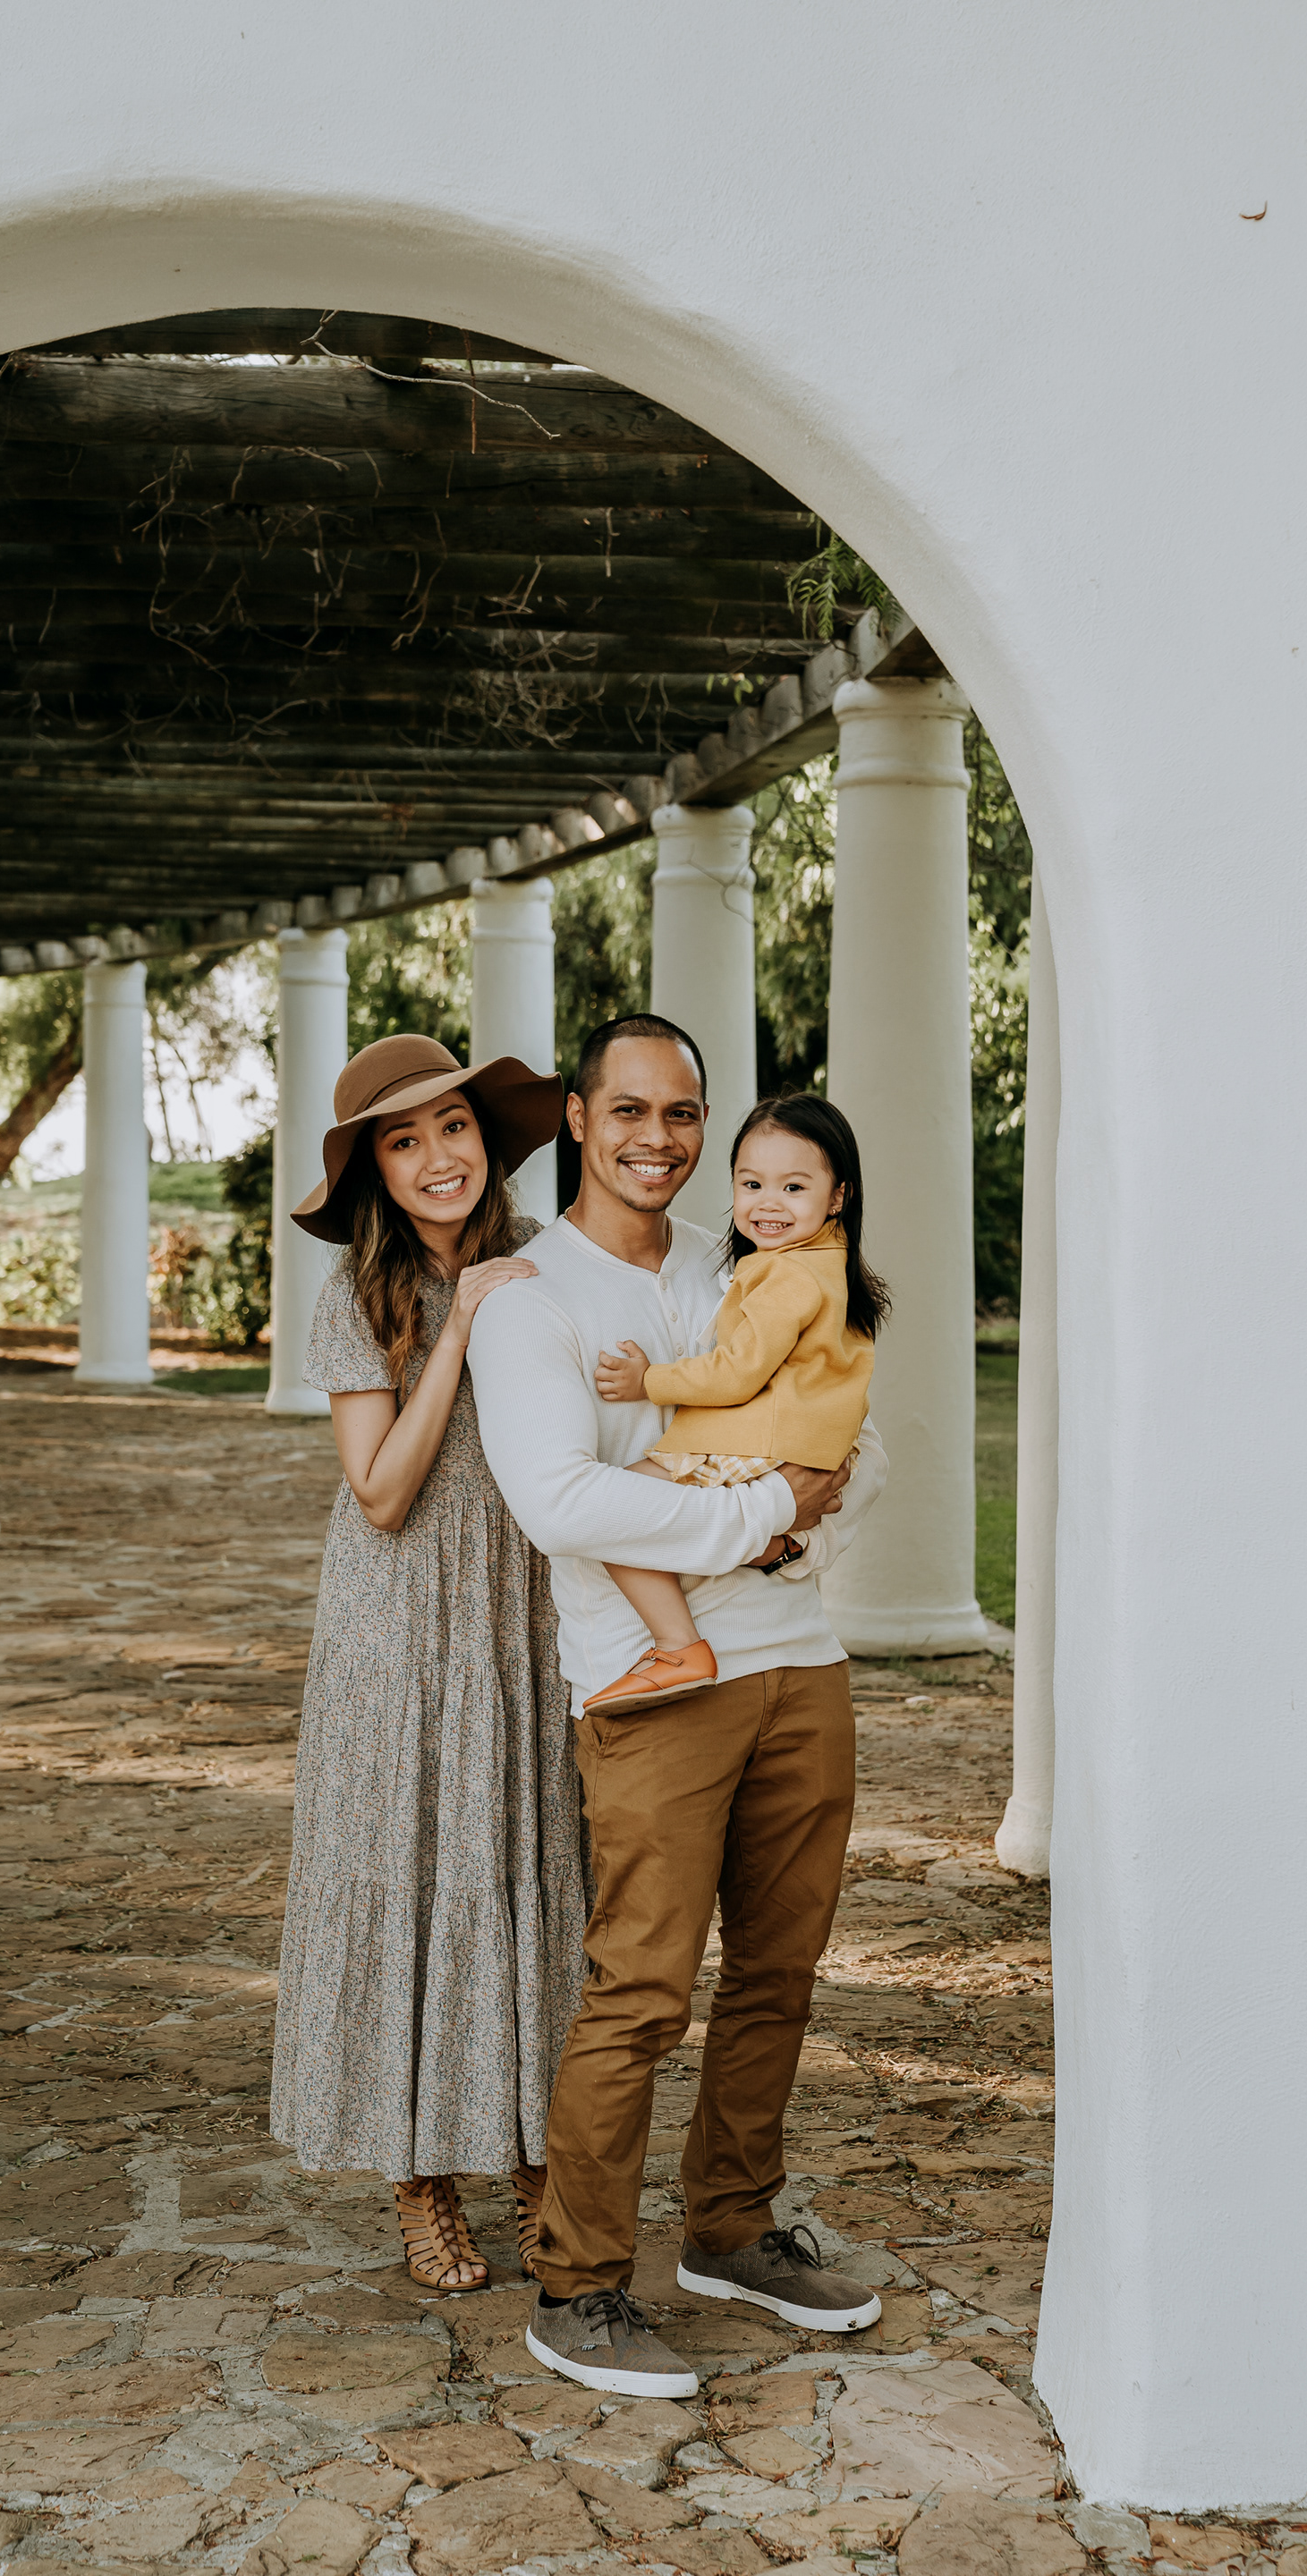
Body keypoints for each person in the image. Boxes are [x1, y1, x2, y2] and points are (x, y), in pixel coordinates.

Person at [469, 1013, 889, 2399]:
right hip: (651, 1686)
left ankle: (732, 2231)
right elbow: (562, 1502)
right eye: (632, 1110)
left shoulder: (751, 1258)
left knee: (780, 1971)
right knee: (641, 1991)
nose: (660, 1138)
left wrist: (791, 1534)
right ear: (580, 1119)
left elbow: (857, 1446)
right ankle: (578, 2284)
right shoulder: (530, 1299)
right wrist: (765, 1517)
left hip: (801, 1662)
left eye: (684, 1113)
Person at [270, 1033, 588, 2295]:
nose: (436, 1157)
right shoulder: (358, 1298)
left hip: (523, 1611)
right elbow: (382, 1492)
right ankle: (420, 2178)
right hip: (398, 1624)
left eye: (452, 1127)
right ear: (377, 1175)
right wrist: (459, 1323)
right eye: (403, 1143)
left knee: (526, 1867)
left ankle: (535, 2160)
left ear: (486, 1140)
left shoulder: (548, 1262)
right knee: (409, 1878)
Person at [586, 1093, 888, 1714]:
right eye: (752, 1184)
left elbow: (737, 1374)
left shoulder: (787, 1276)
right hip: (796, 1443)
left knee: (611, 1517)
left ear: (838, 1196)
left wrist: (650, 1381)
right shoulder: (826, 1266)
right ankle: (770, 1550)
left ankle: (678, 1646)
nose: (768, 1203)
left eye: (794, 1187)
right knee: (650, 1517)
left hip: (756, 1440)